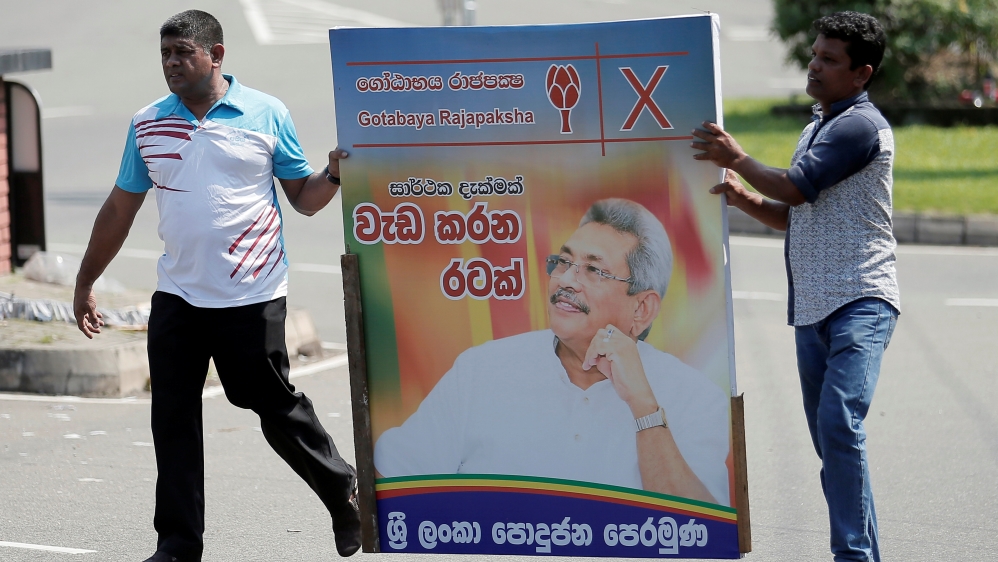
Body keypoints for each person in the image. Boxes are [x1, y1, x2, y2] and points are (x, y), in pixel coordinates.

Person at [71, 10, 358, 562]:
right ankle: (178, 544)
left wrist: (336, 174)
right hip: (177, 294)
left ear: (217, 55)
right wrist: (86, 279)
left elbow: (304, 198)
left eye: (183, 53)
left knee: (268, 401)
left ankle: (341, 491)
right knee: (172, 418)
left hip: (251, 292)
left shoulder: (266, 113)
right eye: (165, 55)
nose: (172, 64)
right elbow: (119, 206)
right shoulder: (148, 123)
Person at [691, 11, 899, 562]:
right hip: (812, 307)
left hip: (860, 299)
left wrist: (737, 158)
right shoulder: (818, 126)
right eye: (815, 54)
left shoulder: (860, 126)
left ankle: (850, 556)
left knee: (838, 424)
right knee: (835, 444)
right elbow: (794, 213)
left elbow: (798, 188)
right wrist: (745, 199)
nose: (814, 66)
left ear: (861, 73)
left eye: (830, 60)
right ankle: (863, 554)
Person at [374, 198, 731, 506]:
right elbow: (393, 477)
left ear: (641, 309)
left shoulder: (695, 398)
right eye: (563, 262)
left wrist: (643, 406)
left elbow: (700, 526)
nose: (566, 280)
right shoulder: (484, 369)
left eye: (593, 269)